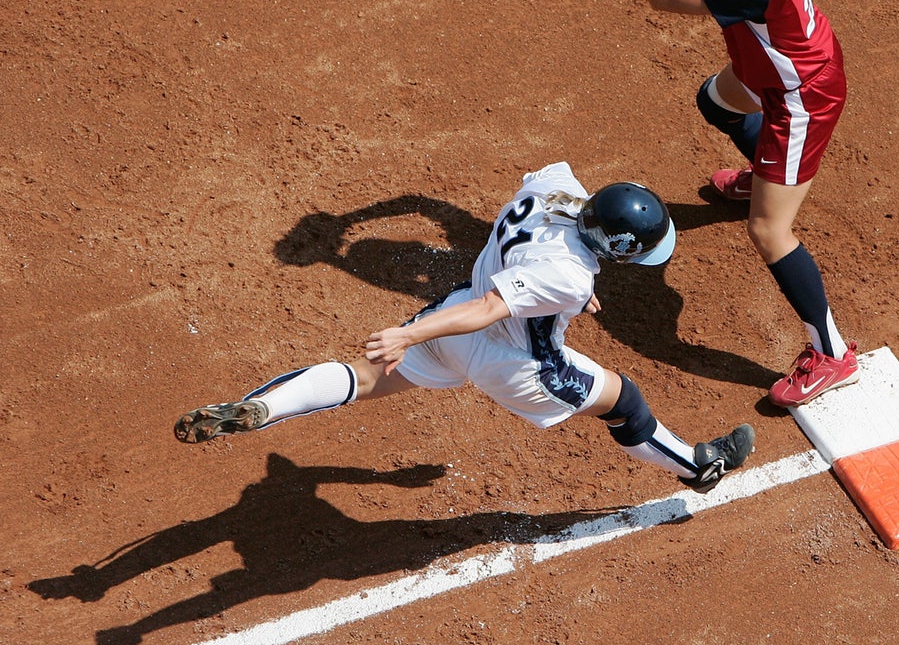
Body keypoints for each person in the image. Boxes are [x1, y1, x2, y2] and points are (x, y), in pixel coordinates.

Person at [175, 162, 754, 495]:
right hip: (518, 367)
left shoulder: (554, 187)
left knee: (363, 378)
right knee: (624, 402)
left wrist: (422, 330)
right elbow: (498, 308)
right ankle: (699, 468)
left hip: (452, 323)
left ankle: (265, 408)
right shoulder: (570, 277)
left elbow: (543, 254)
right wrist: (405, 336)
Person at [594, 0, 858, 407]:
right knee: (715, 101)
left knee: (768, 230)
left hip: (799, 98)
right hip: (769, 68)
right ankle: (764, 174)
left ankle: (833, 353)